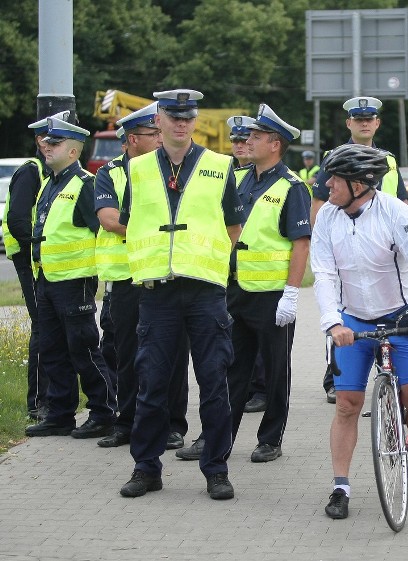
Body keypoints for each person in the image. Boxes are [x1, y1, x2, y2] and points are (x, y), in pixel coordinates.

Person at [118, 89, 244, 500]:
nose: (181, 124)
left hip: (205, 292)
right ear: (159, 122)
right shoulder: (136, 171)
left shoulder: (219, 165)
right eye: (173, 117)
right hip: (157, 292)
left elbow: (232, 225)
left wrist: (211, 264)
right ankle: (146, 468)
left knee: (214, 383)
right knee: (152, 384)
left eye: (188, 118)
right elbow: (127, 222)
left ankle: (216, 470)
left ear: (195, 121)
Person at [311, 143, 408, 520]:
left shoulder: (394, 212)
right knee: (347, 405)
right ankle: (340, 487)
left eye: (334, 178)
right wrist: (333, 322)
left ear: (360, 183)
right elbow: (323, 273)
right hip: (352, 320)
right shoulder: (328, 217)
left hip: (401, 317)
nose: (326, 184)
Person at [94, 102, 190, 450]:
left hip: (169, 275)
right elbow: (109, 219)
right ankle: (128, 422)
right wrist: (158, 230)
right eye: (153, 134)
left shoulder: (173, 170)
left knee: (174, 353)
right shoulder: (110, 173)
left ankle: (173, 424)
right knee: (128, 354)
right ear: (133, 139)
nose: (159, 138)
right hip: (127, 279)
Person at [226, 103, 311, 462]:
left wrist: (291, 294)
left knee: (275, 371)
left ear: (275, 143)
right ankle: (220, 437)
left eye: (257, 136)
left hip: (273, 295)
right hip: (236, 290)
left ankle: (270, 438)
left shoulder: (292, 187)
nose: (249, 140)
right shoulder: (240, 179)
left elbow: (301, 244)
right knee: (231, 368)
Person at [23, 115, 117, 439]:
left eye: (55, 143)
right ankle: (60, 414)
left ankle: (104, 412)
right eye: (47, 142)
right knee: (51, 349)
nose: (46, 147)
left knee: (83, 349)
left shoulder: (84, 185)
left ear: (73, 152)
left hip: (75, 282)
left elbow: (104, 232)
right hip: (48, 280)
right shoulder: (51, 183)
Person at [311, 96, 407, 405]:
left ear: (377, 123)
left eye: (370, 119)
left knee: (383, 318)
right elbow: (319, 206)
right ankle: (335, 376)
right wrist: (325, 246)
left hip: (382, 252)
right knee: (342, 316)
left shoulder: (389, 161)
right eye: (358, 119)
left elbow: (401, 205)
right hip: (344, 249)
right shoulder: (334, 157)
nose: (364, 123)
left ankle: (385, 378)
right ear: (349, 123)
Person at [3, 112, 67, 421]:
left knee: (49, 327)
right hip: (30, 259)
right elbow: (17, 219)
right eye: (49, 139)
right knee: (43, 327)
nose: (52, 145)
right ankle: (38, 403)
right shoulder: (31, 172)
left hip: (42, 259)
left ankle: (48, 400)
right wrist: (37, 247)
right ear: (40, 142)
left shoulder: (51, 173)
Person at [227, 115, 268, 414]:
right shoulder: (232, 176)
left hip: (263, 276)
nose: (241, 146)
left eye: (246, 140)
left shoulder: (271, 179)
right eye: (236, 141)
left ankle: (261, 390)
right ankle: (245, 388)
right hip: (233, 272)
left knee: (262, 345)